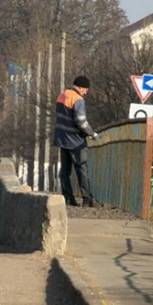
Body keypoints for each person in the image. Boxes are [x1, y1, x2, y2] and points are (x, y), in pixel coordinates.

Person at [53, 75, 100, 207]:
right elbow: (81, 121)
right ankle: (87, 199)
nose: (85, 93)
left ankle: (68, 198)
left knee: (65, 171)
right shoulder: (78, 99)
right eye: (85, 90)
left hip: (62, 138)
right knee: (81, 169)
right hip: (75, 141)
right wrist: (92, 133)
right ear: (80, 87)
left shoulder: (62, 95)